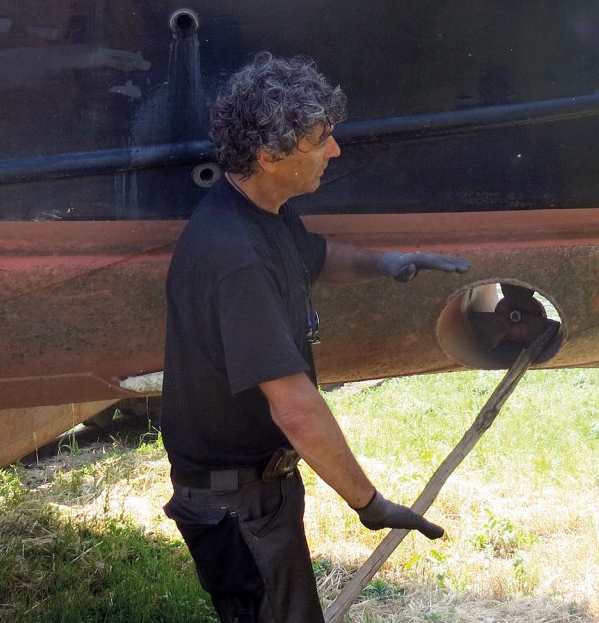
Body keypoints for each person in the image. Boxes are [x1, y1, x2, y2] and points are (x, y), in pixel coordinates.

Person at [162, 52, 469, 623]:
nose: (335, 150)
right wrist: (369, 504)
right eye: (320, 139)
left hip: (255, 490)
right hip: (237, 504)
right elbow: (296, 409)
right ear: (270, 155)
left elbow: (315, 258)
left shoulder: (260, 213)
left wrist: (387, 262)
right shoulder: (235, 258)